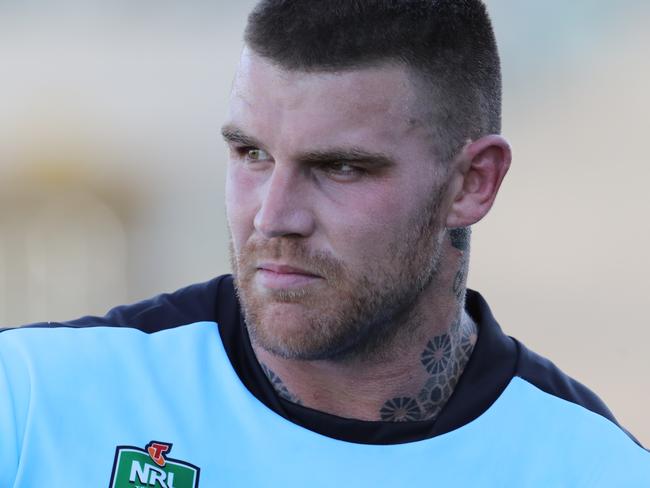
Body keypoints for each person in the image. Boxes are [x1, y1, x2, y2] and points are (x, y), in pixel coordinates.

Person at [1, 0, 648, 486]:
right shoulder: (32, 404)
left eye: (340, 167)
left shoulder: (592, 471)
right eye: (251, 154)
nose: (273, 216)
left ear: (472, 182)